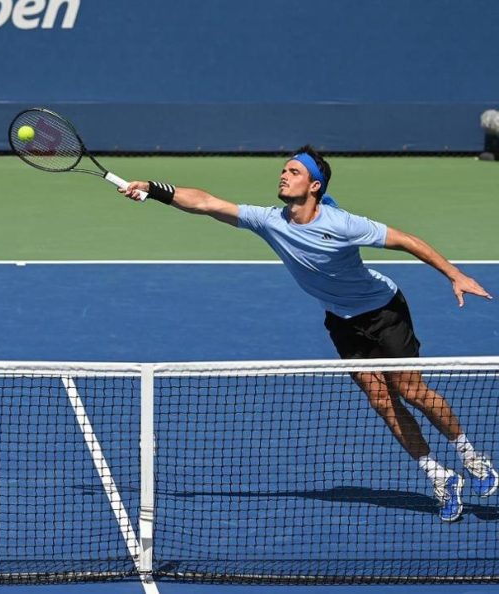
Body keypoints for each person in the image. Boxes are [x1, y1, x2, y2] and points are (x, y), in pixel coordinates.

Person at [120, 145, 495, 522]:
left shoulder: (342, 223)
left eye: (294, 171)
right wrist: (153, 189)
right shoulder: (269, 220)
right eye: (283, 170)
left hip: (384, 311)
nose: (283, 175)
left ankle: (470, 456)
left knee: (410, 390)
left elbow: (408, 240)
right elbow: (205, 203)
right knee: (381, 400)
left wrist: (455, 275)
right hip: (342, 321)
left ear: (314, 186)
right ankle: (439, 475)